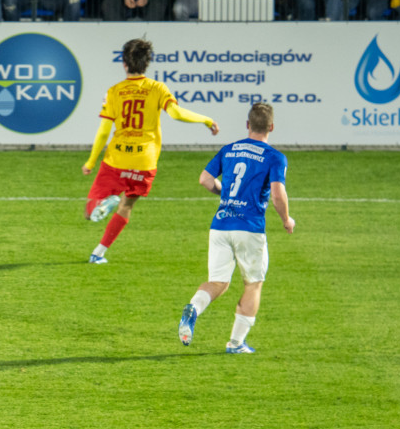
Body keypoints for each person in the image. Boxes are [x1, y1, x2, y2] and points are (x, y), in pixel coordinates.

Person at [85, 37, 219, 265]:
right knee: (126, 206)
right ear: (147, 63)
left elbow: (103, 132)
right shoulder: (157, 88)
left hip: (117, 157)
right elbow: (176, 114)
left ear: (124, 64)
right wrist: (206, 119)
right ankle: (98, 253)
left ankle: (107, 200)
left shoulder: (115, 92)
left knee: (90, 211)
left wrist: (90, 162)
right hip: (144, 161)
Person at [177, 102, 294, 354]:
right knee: (253, 283)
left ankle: (194, 308)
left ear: (247, 125)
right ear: (271, 126)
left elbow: (205, 180)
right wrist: (286, 219)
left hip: (220, 225)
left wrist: (224, 194)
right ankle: (235, 343)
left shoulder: (229, 149)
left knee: (218, 282)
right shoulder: (275, 157)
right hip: (249, 228)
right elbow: (277, 194)